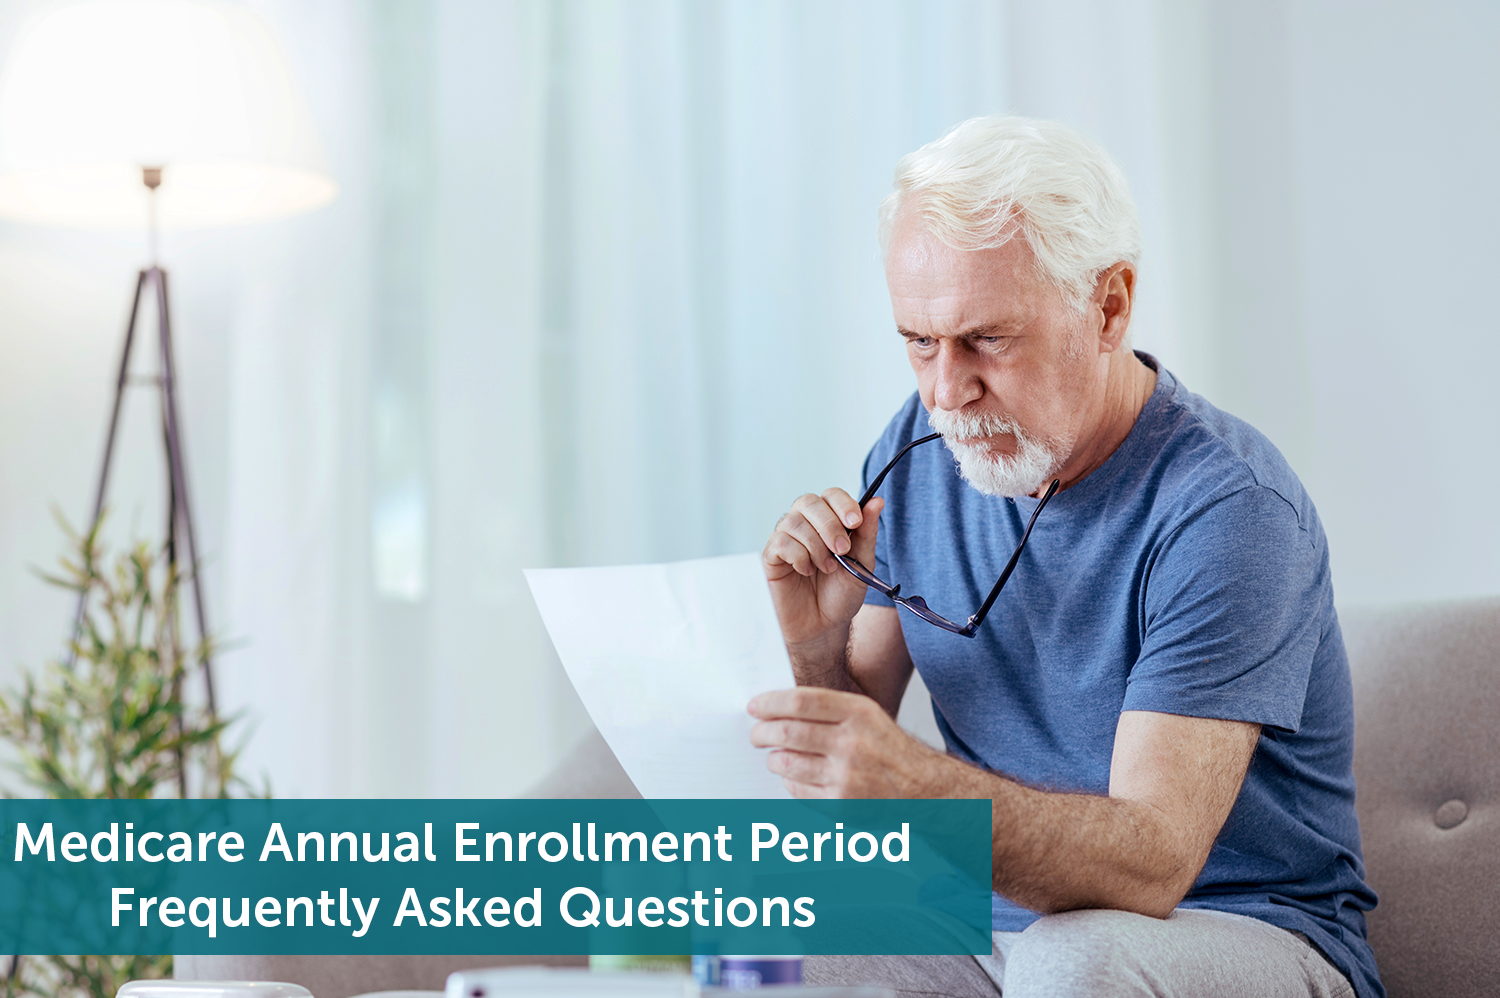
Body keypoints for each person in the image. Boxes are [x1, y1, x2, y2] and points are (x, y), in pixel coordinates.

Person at [752, 116, 1381, 998]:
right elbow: (861, 758)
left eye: (988, 340)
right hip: (999, 924)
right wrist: (817, 647)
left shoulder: (1230, 510)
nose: (946, 391)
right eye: (919, 342)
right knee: (777, 938)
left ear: (1110, 306)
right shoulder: (921, 450)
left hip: (1241, 927)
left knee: (1075, 962)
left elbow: (1152, 864)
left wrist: (924, 793)